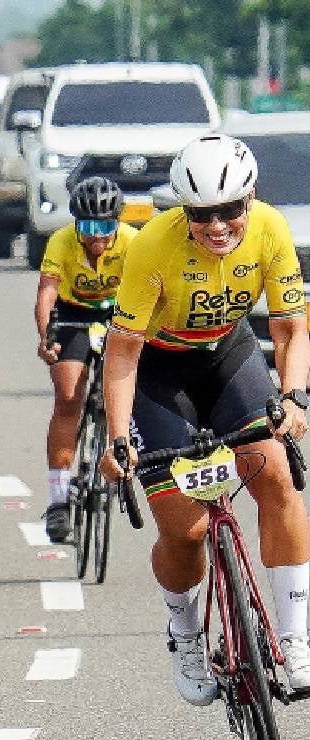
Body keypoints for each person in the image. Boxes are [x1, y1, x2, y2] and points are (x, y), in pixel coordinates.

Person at [99, 135, 310, 704]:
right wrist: (119, 436)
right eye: (201, 215)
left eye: (229, 210)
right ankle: (185, 631)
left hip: (227, 356)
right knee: (186, 529)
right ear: (183, 211)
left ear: (251, 199)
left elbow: (290, 329)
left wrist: (294, 398)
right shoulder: (151, 248)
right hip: (158, 374)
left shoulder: (270, 230)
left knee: (275, 477)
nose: (217, 226)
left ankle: (294, 637)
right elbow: (122, 353)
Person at [35, 177, 136, 543]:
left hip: (119, 315)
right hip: (73, 313)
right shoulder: (61, 242)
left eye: (106, 226)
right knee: (67, 397)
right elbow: (47, 293)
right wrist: (46, 336)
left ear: (118, 223)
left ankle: (114, 454)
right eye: (89, 227)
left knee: (121, 390)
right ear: (76, 224)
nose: (97, 236)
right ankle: (59, 499)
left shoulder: (131, 242)